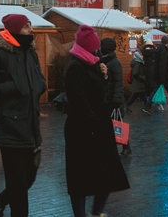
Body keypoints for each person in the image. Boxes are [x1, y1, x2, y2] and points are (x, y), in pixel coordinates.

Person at [0, 14, 47, 217]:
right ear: (16, 29)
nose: (31, 29)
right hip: (10, 129)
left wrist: (40, 85)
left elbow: (39, 79)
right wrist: (12, 86)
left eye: (30, 25)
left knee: (30, 178)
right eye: (27, 26)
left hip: (31, 127)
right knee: (18, 185)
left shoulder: (31, 54)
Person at [64, 25, 129, 217]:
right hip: (83, 129)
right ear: (90, 47)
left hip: (99, 125)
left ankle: (97, 211)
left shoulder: (93, 63)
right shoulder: (75, 66)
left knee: (108, 172)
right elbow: (79, 100)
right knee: (80, 178)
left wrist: (104, 76)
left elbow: (98, 92)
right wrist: (94, 123)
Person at [100, 38, 130, 158]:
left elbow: (118, 83)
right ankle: (125, 148)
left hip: (113, 100)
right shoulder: (107, 61)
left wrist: (117, 101)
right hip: (109, 99)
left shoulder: (114, 63)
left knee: (116, 124)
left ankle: (126, 148)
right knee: (114, 124)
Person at [139, 40, 158, 116]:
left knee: (146, 86)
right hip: (153, 72)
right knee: (153, 87)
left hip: (145, 72)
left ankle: (146, 100)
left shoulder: (142, 53)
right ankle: (150, 101)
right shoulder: (155, 53)